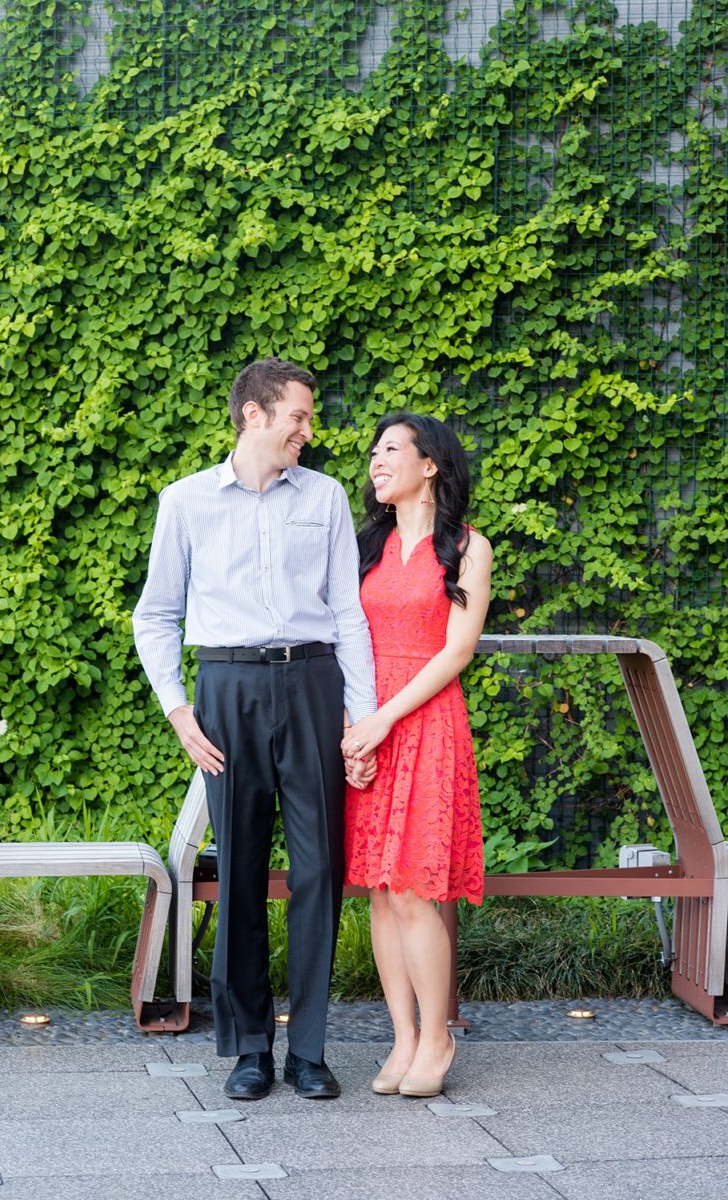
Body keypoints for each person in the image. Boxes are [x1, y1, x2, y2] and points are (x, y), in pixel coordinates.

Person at [133, 357, 376, 1101]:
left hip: (311, 684)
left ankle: (308, 1049)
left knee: (319, 871)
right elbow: (155, 615)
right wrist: (179, 711)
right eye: (298, 416)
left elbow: (346, 613)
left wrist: (359, 721)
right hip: (225, 689)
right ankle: (247, 1050)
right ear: (254, 415)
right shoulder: (186, 502)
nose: (310, 429)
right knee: (237, 870)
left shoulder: (326, 497)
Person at [342, 412, 492, 1098]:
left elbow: (456, 652)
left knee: (412, 890)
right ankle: (401, 1037)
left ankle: (438, 1035)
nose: (376, 461)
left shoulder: (466, 546)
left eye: (390, 450)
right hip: (367, 724)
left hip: (424, 723)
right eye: (373, 452)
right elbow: (344, 641)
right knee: (377, 890)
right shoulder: (362, 548)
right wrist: (354, 730)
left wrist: (380, 720)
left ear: (429, 464)